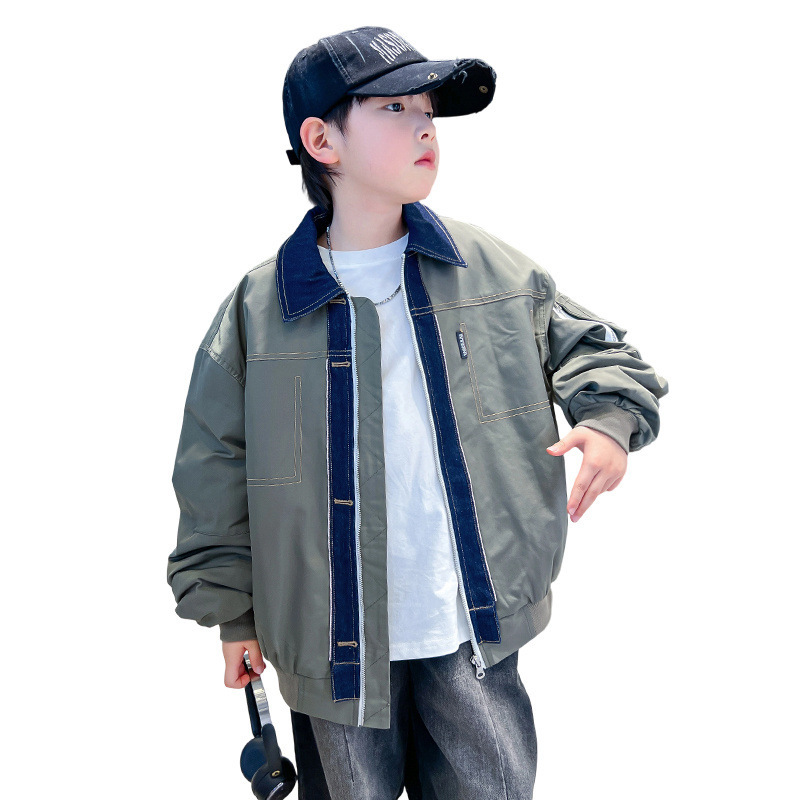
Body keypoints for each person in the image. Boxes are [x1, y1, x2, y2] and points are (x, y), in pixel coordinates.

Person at [166, 26, 669, 800]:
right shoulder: (259, 311)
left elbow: (598, 350)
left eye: (428, 110)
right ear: (322, 140)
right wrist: (234, 616)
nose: (425, 126)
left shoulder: (490, 271)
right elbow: (215, 465)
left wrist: (608, 423)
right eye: (395, 108)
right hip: (332, 645)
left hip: (469, 626)